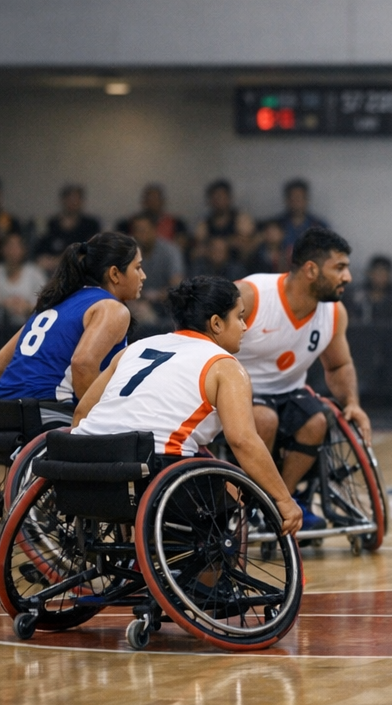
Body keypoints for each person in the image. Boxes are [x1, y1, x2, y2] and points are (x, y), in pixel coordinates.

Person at [71, 276, 302, 537]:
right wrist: (284, 499)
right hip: (153, 470)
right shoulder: (224, 365)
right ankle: (207, 574)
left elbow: (82, 413)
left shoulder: (135, 348)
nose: (245, 326)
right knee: (226, 507)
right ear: (216, 323)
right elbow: (243, 440)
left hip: (82, 467)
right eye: (239, 317)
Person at [234, 227, 369, 529]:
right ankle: (255, 503)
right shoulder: (250, 295)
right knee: (264, 419)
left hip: (288, 391)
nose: (347, 277)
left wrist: (353, 403)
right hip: (236, 391)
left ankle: (285, 498)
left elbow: (338, 366)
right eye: (340, 268)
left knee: (317, 421)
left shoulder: (334, 313)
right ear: (311, 269)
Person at [0, 231, 143, 410]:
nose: (143, 275)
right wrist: (102, 416)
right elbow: (82, 365)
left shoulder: (57, 301)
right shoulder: (112, 308)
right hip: (47, 414)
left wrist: (18, 404)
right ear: (114, 274)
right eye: (137, 267)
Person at [127, 212, 183, 324]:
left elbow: (177, 284)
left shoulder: (170, 250)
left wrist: (157, 295)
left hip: (166, 304)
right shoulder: (129, 252)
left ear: (154, 230)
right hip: (138, 303)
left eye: (145, 230)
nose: (141, 234)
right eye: (138, 230)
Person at [34, 184, 101, 272]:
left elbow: (93, 253)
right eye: (70, 199)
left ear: (82, 201)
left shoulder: (91, 225)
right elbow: (40, 254)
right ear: (63, 200)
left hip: (82, 273)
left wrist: (61, 261)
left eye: (76, 199)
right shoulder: (51, 224)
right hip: (53, 274)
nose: (73, 203)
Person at [0, 230, 47, 323]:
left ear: (24, 250)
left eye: (17, 246)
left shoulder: (35, 272)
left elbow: (47, 302)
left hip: (30, 325)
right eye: (9, 246)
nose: (13, 250)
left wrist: (27, 307)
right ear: (2, 249)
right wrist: (5, 303)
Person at [194, 179, 255, 255]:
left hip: (236, 261)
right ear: (210, 201)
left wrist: (221, 244)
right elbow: (199, 245)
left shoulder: (241, 218)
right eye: (215, 198)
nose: (218, 201)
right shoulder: (204, 223)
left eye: (221, 197)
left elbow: (245, 243)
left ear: (229, 198)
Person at [117, 183, 187, 248]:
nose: (152, 203)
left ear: (162, 202)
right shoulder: (126, 224)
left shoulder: (177, 224)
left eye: (155, 199)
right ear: (144, 202)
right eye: (149, 199)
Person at [345, 254, 392, 325]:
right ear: (370, 274)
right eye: (378, 273)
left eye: (383, 274)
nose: (380, 278)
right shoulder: (358, 296)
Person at [277, 179, 327, 253]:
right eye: (293, 198)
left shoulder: (320, 226)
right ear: (287, 200)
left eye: (299, 198)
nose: (297, 203)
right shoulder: (277, 225)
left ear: (306, 200)